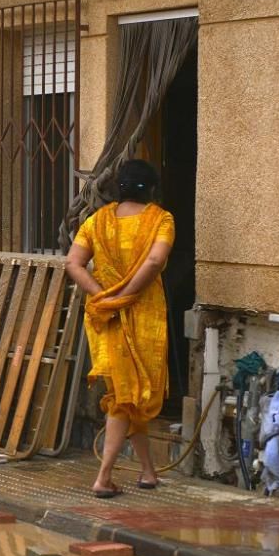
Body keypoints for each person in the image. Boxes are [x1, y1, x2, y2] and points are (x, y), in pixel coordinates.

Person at [65, 159, 175, 498]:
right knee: (127, 397)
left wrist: (105, 296)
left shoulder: (96, 221)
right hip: (143, 316)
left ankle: (147, 472)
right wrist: (127, 296)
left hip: (105, 316)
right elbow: (155, 261)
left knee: (130, 393)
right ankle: (103, 477)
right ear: (152, 190)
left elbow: (73, 263)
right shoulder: (161, 219)